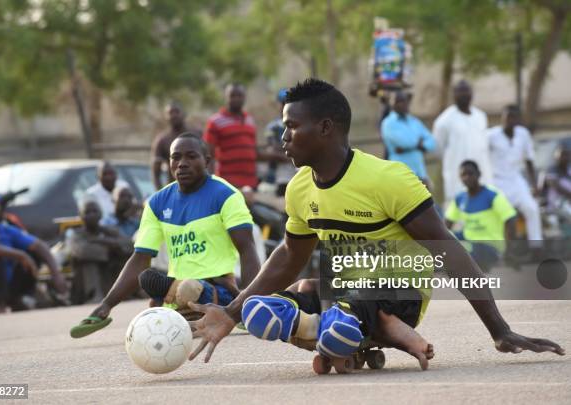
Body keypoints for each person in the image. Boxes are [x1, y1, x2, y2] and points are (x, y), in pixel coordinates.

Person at [188, 78, 564, 366]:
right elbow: (288, 255)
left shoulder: (387, 179)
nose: (283, 138)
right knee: (261, 312)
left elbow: (449, 252)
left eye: (291, 126)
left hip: (400, 293)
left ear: (325, 128)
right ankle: (363, 337)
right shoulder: (299, 188)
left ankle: (363, 331)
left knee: (343, 316)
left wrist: (500, 330)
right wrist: (231, 312)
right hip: (342, 295)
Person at [70, 133, 261, 338]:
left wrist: (247, 306)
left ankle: (206, 314)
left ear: (206, 161)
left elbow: (247, 250)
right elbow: (140, 259)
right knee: (148, 278)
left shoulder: (226, 195)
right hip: (176, 288)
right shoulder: (157, 203)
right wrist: (105, 306)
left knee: (190, 288)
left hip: (219, 288)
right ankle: (184, 315)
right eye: (176, 157)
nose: (182, 164)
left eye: (190, 156)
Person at [0, 191, 67, 313]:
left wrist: (56, 273)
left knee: (33, 254)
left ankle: (23, 298)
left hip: (7, 287)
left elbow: (39, 245)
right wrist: (20, 255)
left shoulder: (5, 229)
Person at [204, 83, 285, 190]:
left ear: (244, 97)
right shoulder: (215, 121)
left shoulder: (249, 120)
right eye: (232, 95)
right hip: (227, 183)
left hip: (250, 184)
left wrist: (282, 157)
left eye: (240, 95)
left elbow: (254, 153)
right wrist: (209, 183)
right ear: (226, 97)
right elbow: (208, 155)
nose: (236, 99)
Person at [445, 161, 517, 272]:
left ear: (479, 174)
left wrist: (510, 250)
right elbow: (446, 224)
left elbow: (511, 219)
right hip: (470, 241)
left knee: (469, 253)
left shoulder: (492, 195)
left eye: (470, 174)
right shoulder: (460, 198)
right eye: (463, 175)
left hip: (490, 245)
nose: (467, 177)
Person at [488, 105, 542, 247]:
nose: (510, 120)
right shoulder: (490, 136)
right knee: (503, 215)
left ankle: (536, 247)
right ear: (502, 118)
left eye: (514, 117)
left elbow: (529, 160)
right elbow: (480, 158)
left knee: (532, 208)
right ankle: (504, 250)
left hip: (516, 180)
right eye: (507, 117)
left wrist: (534, 185)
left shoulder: (523, 134)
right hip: (497, 182)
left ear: (518, 119)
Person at [434, 80, 493, 204]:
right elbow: (437, 150)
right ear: (454, 95)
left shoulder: (481, 116)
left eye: (466, 90)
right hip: (458, 180)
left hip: (483, 176)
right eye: (460, 91)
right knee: (458, 218)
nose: (464, 94)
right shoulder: (444, 121)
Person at [68, 199, 133, 304]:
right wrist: (111, 249)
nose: (92, 215)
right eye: (87, 212)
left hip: (109, 274)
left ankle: (126, 293)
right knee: (89, 261)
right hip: (85, 281)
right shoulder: (76, 234)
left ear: (100, 214)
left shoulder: (109, 231)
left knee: (126, 257)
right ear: (80, 215)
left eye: (94, 211)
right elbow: (83, 251)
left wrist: (104, 241)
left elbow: (129, 245)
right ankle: (94, 296)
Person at [381, 90, 436, 185]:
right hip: (400, 175)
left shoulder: (414, 121)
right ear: (393, 104)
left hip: (420, 173)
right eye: (400, 101)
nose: (404, 104)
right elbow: (404, 142)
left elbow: (431, 142)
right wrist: (419, 143)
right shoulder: (388, 123)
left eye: (405, 101)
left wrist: (411, 146)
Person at [151, 102, 199, 190]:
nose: (173, 115)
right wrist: (160, 194)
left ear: (184, 114)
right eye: (170, 113)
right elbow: (155, 172)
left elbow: (210, 160)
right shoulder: (162, 141)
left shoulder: (197, 135)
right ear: (165, 117)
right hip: (175, 189)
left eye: (176, 112)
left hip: (199, 188)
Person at [263, 88, 297, 196]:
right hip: (279, 175)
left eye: (290, 103)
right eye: (283, 103)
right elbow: (272, 149)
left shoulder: (301, 124)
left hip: (298, 172)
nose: (286, 106)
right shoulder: (273, 127)